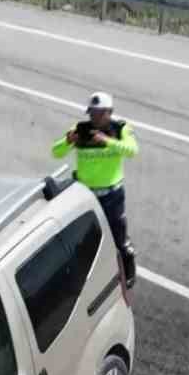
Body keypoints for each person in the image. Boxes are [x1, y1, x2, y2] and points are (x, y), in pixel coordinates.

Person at [51, 92, 138, 287]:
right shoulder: (80, 130)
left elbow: (132, 150)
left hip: (111, 195)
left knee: (119, 239)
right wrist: (68, 141)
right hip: (86, 195)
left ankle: (128, 270)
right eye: (92, 113)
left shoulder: (121, 129)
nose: (95, 118)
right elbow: (55, 152)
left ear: (110, 113)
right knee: (84, 237)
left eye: (100, 114)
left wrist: (107, 141)